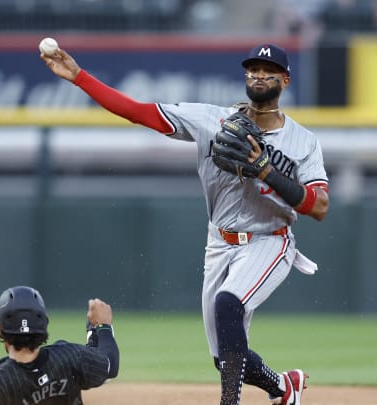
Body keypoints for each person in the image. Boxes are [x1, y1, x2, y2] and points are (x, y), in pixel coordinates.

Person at [40, 43, 329, 405]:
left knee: (228, 303)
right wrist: (79, 78)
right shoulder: (211, 120)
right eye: (252, 69)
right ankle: (283, 387)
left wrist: (267, 171)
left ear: (284, 79)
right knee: (224, 358)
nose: (258, 75)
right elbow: (138, 112)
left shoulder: (303, 141)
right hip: (220, 242)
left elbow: (318, 206)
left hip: (269, 239)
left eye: (268, 70)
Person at [0, 285, 119, 405]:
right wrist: (100, 326)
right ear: (43, 324)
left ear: (1, 328)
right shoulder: (69, 357)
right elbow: (108, 366)